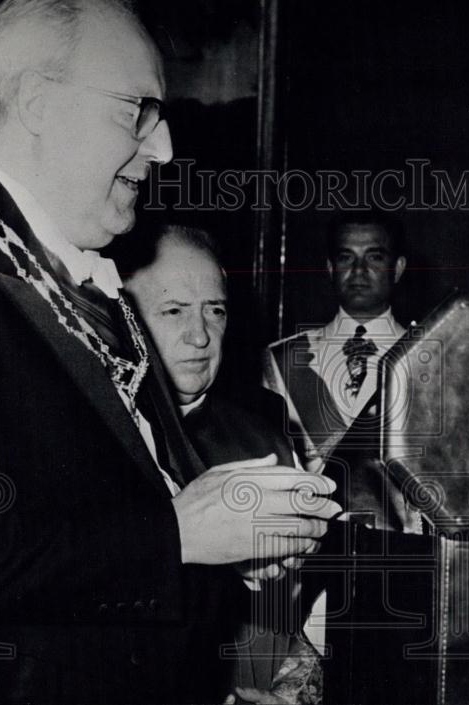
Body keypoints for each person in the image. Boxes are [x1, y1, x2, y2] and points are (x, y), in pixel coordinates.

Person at [0, 2, 337, 702]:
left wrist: (236, 546)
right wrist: (176, 534)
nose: (161, 148)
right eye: (136, 110)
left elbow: (111, 524)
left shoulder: (96, 277)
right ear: (38, 101)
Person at [121, 225, 323, 704]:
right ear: (122, 317)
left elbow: (294, 611)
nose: (200, 335)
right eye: (173, 312)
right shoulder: (84, 435)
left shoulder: (263, 436)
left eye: (215, 311)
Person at [263, 210, 408, 468]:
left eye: (374, 257)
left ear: (397, 269)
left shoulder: (424, 355)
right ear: (330, 268)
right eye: (346, 257)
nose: (358, 271)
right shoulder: (283, 359)